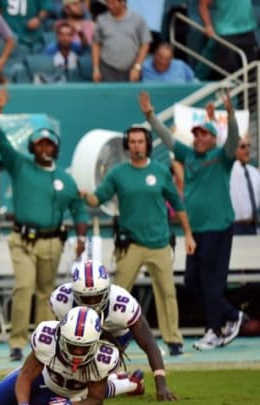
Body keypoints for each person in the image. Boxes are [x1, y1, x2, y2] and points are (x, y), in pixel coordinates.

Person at [0, 89, 89, 362]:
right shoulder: (21, 166)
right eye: (39, 144)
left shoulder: (65, 179)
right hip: (22, 239)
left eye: (48, 144)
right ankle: (16, 342)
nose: (44, 148)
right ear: (32, 147)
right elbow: (1, 141)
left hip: (52, 241)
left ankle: (43, 341)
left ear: (55, 148)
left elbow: (78, 207)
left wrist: (81, 236)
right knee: (24, 286)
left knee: (46, 293)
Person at [139, 89, 247, 350]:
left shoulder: (222, 157)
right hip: (194, 231)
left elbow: (232, 139)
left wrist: (230, 114)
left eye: (204, 134)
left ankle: (214, 330)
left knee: (210, 281)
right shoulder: (189, 156)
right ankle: (232, 315)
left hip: (218, 228)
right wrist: (151, 116)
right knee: (192, 282)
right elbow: (166, 139)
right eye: (196, 134)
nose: (198, 138)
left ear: (213, 138)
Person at [82, 125, 196, 357]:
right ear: (127, 146)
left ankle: (173, 340)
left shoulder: (161, 172)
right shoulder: (117, 173)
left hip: (159, 243)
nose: (136, 146)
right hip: (130, 244)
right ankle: (109, 338)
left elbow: (178, 204)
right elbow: (98, 199)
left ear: (148, 145)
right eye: (132, 142)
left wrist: (189, 234)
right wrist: (85, 195)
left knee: (167, 292)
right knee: (117, 294)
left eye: (140, 141)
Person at [49, 259, 177, 400]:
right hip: (78, 339)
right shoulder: (62, 301)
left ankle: (125, 382)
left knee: (82, 389)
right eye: (86, 298)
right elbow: (59, 340)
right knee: (66, 380)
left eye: (96, 297)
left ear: (107, 291)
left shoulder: (122, 305)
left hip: (113, 338)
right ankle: (127, 382)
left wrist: (161, 385)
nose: (92, 304)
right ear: (75, 294)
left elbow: (149, 343)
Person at [0, 306, 119, 405]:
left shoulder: (104, 358)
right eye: (72, 345)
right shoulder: (47, 339)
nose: (77, 353)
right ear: (61, 337)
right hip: (41, 380)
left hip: (67, 396)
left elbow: (96, 399)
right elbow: (26, 376)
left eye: (83, 348)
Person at [91, 0, 151, 82]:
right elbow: (96, 44)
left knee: (131, 94)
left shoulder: (138, 19)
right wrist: (96, 68)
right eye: (108, 3)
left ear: (122, 2)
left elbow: (145, 44)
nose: (110, 6)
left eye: (113, 3)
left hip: (131, 69)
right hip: (108, 69)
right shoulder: (101, 20)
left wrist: (137, 67)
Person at [230, 138, 260, 235]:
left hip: (253, 225)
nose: (247, 150)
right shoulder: (230, 171)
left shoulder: (254, 173)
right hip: (235, 226)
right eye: (243, 147)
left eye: (248, 146)